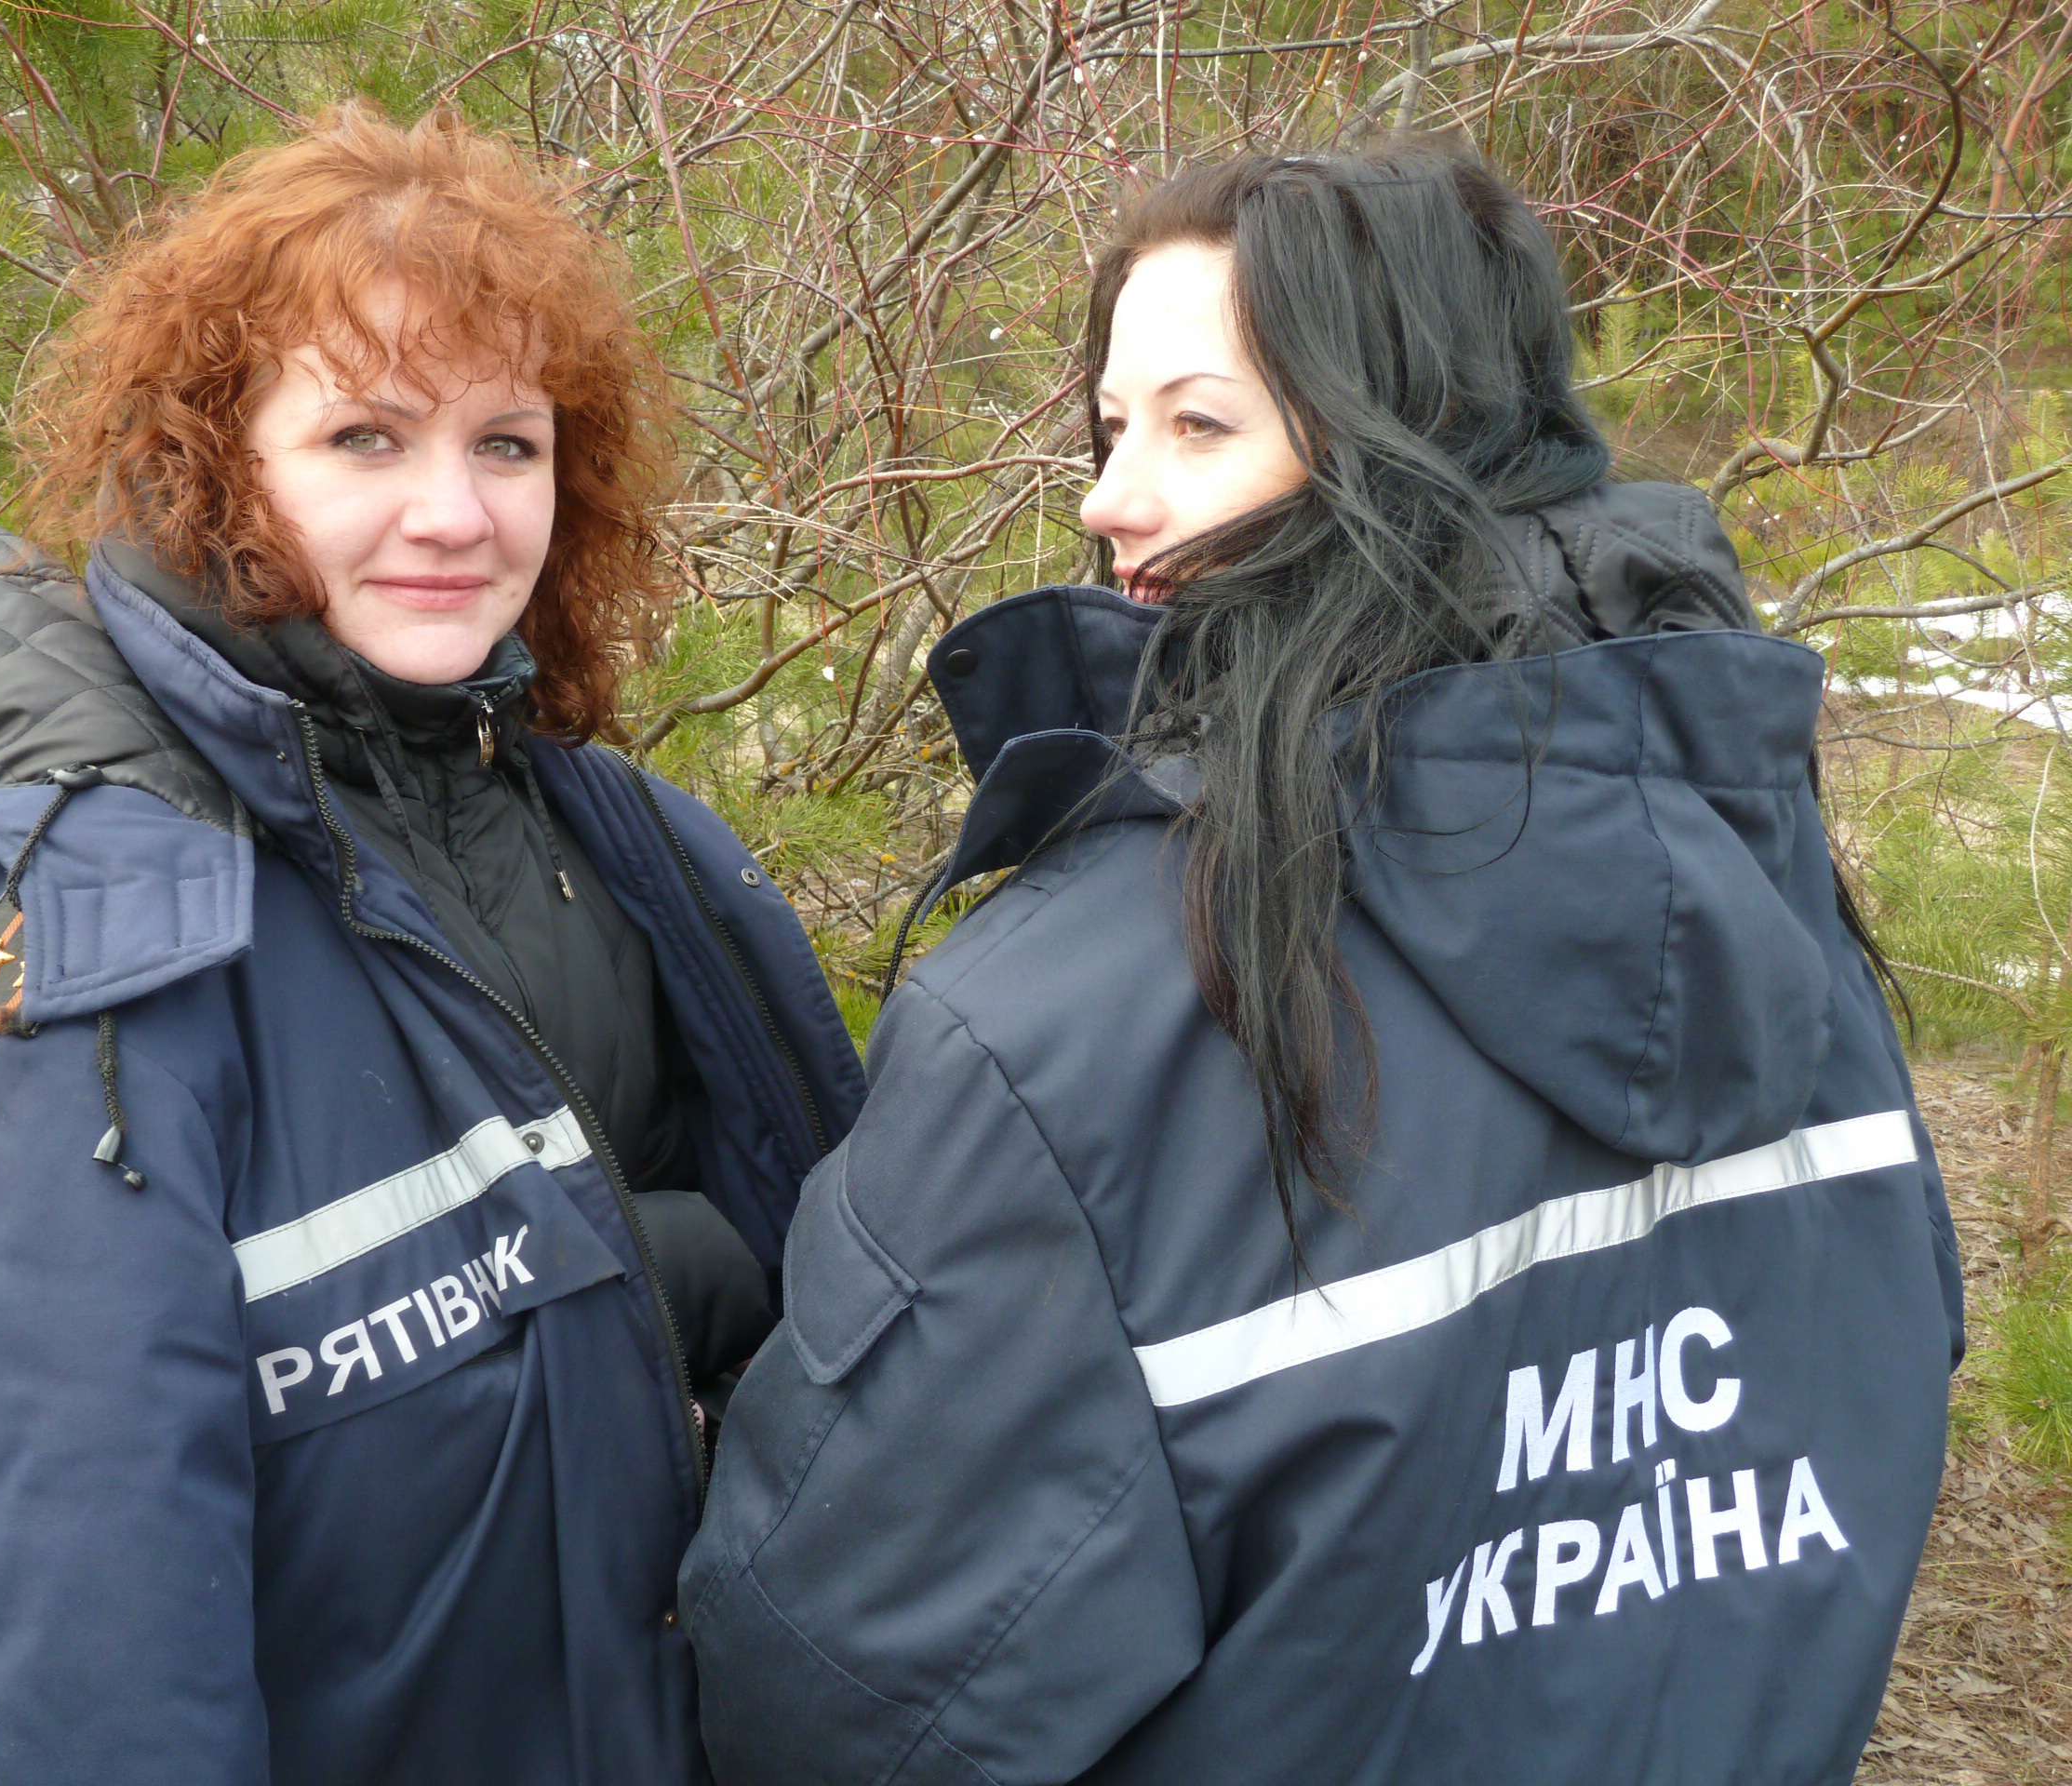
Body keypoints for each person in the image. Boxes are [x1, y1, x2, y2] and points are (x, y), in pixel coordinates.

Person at [681, 138, 1959, 1785]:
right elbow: (1880, 1385)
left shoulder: (1058, 1021)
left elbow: (850, 1694)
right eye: (1111, 426)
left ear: (1403, 443)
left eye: (1199, 425)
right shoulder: (1769, 892)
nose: (1108, 497)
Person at [0, 107, 862, 1786]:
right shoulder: (85, 928)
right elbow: (34, 1656)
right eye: (365, 437)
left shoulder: (609, 841)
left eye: (508, 444)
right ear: (210, 466)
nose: (456, 513)